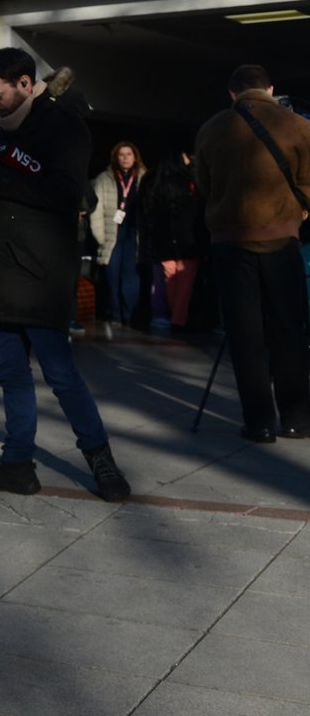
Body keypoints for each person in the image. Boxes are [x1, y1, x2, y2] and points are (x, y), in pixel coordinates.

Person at [0, 48, 131, 501]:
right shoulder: (7, 133)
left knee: (61, 374)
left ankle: (101, 461)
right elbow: (11, 197)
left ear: (26, 84)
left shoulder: (65, 126)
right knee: (10, 372)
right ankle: (17, 465)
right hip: (5, 270)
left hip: (42, 273)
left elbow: (64, 195)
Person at [193, 64, 310, 442]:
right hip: (282, 240)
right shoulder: (297, 125)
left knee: (246, 335)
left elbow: (203, 185)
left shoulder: (212, 129)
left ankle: (259, 422)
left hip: (230, 242)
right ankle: (295, 417)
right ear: (270, 89)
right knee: (289, 330)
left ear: (232, 93)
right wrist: (297, 214)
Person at [140, 152, 203, 331]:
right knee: (185, 282)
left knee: (167, 280)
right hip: (188, 240)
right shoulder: (189, 184)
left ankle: (166, 315)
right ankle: (179, 318)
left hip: (163, 241)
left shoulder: (154, 183)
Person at [89, 142, 147, 325]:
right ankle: (115, 315)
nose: (125, 158)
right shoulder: (104, 179)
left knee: (131, 277)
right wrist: (100, 236)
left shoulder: (144, 178)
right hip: (111, 236)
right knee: (112, 278)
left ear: (135, 157)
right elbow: (96, 210)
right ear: (115, 157)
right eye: (121, 154)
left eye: (129, 154)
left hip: (134, 236)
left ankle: (130, 316)